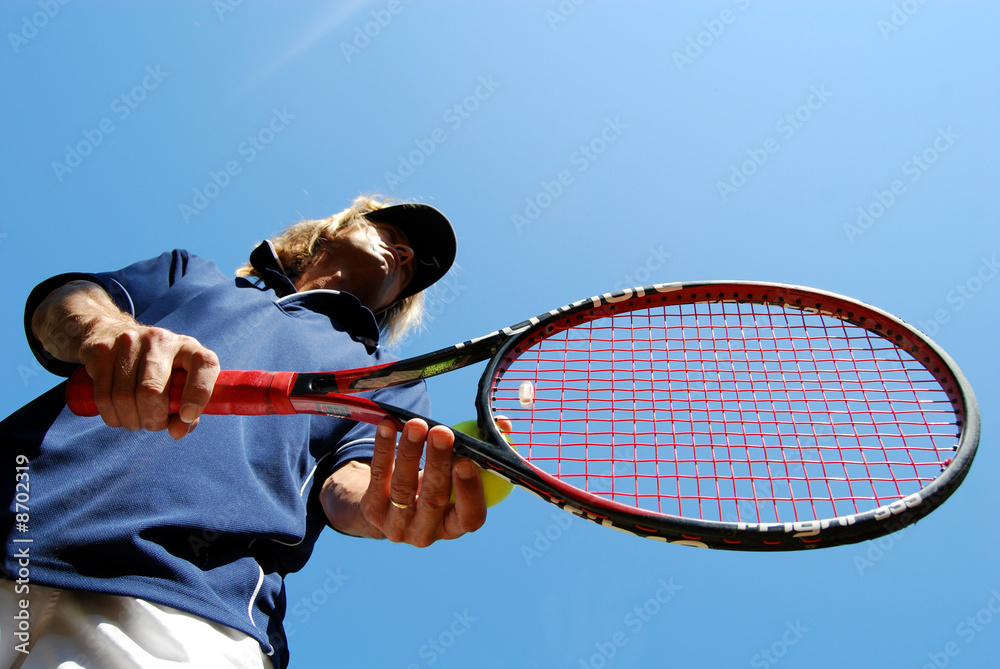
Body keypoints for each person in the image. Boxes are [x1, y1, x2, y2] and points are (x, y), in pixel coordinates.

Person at [0, 195, 487, 668]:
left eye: (409, 265)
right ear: (335, 229)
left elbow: (348, 484)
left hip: (191, 611)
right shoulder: (191, 272)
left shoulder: (389, 376)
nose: (401, 254)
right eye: (390, 233)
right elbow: (60, 305)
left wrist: (396, 500)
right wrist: (102, 328)